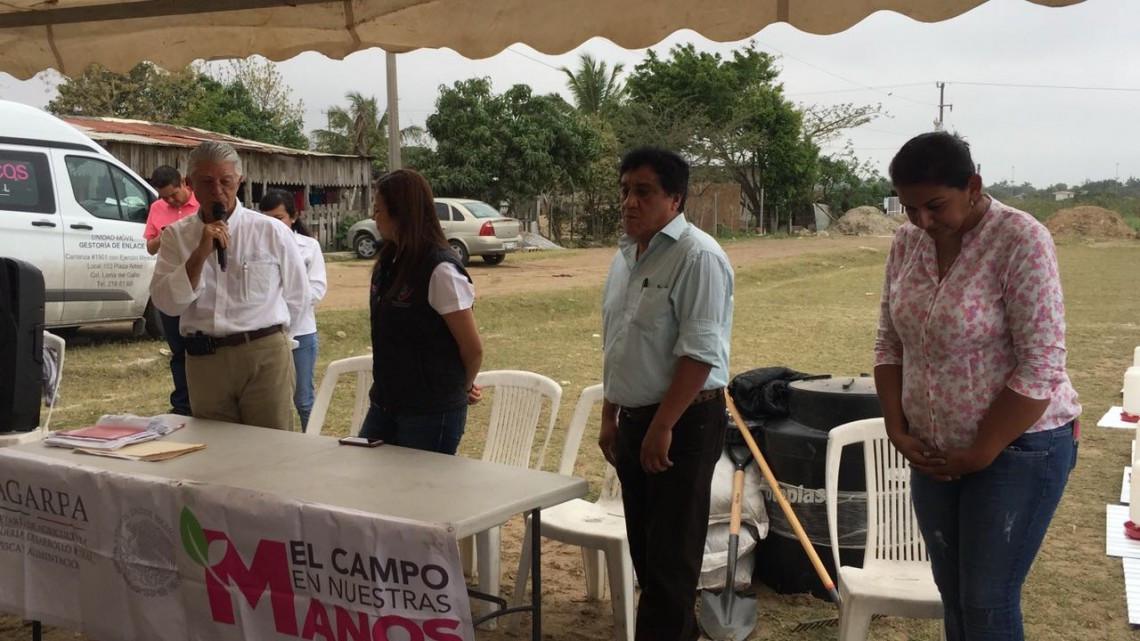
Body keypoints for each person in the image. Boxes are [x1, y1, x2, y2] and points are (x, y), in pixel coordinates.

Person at [873, 131, 1081, 641]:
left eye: (934, 205)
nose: (922, 221)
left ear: (972, 185)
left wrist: (982, 449)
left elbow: (1042, 362)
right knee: (956, 595)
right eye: (909, 208)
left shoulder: (1020, 238)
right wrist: (897, 430)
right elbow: (888, 342)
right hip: (934, 450)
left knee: (987, 602)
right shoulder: (907, 243)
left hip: (1019, 449)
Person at [597, 146, 734, 640]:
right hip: (636, 420)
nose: (629, 202)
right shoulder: (625, 255)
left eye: (644, 191)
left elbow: (698, 354)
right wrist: (610, 415)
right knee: (648, 555)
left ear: (674, 198)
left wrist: (661, 428)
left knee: (672, 562)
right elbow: (618, 344)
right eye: (625, 190)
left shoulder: (698, 257)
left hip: (683, 424)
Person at [149, 141, 308, 430]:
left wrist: (277, 345)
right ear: (190, 183)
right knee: (215, 455)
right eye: (207, 182)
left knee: (271, 452)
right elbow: (166, 303)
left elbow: (297, 296)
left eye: (226, 181)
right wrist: (199, 253)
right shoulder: (175, 236)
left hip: (264, 355)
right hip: (204, 359)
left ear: (239, 181)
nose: (217, 191)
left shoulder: (270, 231)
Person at [357, 169, 483, 454]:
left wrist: (458, 389)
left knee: (420, 495)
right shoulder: (389, 261)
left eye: (378, 208)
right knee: (368, 487)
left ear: (400, 212)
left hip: (429, 414)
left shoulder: (441, 270)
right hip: (385, 403)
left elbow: (472, 349)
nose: (374, 216)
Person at [258, 189, 327, 431]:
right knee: (272, 400)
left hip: (301, 331)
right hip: (265, 334)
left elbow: (316, 288)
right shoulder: (256, 245)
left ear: (293, 217)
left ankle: (314, 446)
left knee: (303, 398)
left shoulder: (309, 246)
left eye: (278, 218)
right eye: (265, 218)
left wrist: (284, 303)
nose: (272, 225)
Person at [143, 165, 199, 416]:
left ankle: (204, 399)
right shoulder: (157, 209)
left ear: (184, 184)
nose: (169, 201)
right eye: (164, 197)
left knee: (200, 347)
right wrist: (163, 236)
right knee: (178, 350)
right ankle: (183, 404)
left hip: (199, 285)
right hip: (170, 285)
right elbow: (150, 248)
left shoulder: (201, 206)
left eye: (173, 195)